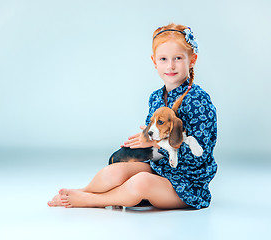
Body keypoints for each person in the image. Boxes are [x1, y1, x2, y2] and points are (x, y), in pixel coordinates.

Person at [47, 23, 217, 210]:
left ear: (192, 59)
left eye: (178, 58)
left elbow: (200, 156)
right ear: (154, 61)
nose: (170, 65)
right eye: (163, 59)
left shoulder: (199, 100)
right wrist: (140, 143)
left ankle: (91, 200)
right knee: (115, 172)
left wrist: (154, 143)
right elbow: (152, 138)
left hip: (188, 183)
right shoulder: (155, 97)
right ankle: (85, 191)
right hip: (161, 169)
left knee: (141, 181)